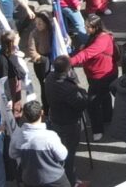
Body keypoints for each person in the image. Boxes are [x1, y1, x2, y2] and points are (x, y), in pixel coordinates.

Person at [69, 15, 117, 140]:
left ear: (96, 27)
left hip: (101, 76)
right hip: (98, 74)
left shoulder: (102, 39)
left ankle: (97, 130)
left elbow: (87, 54)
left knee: (92, 104)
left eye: (88, 27)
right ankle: (107, 117)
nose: (85, 29)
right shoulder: (97, 36)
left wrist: (70, 61)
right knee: (105, 96)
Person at [44, 55, 88, 187]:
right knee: (68, 153)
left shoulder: (50, 77)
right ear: (68, 68)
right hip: (69, 123)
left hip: (55, 118)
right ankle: (71, 181)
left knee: (60, 150)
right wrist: (81, 90)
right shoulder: (67, 88)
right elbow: (81, 104)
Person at [10, 100, 71, 187]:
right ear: (42, 113)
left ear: (24, 115)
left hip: (30, 179)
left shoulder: (17, 136)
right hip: (54, 179)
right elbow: (62, 156)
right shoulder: (50, 136)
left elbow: (12, 154)